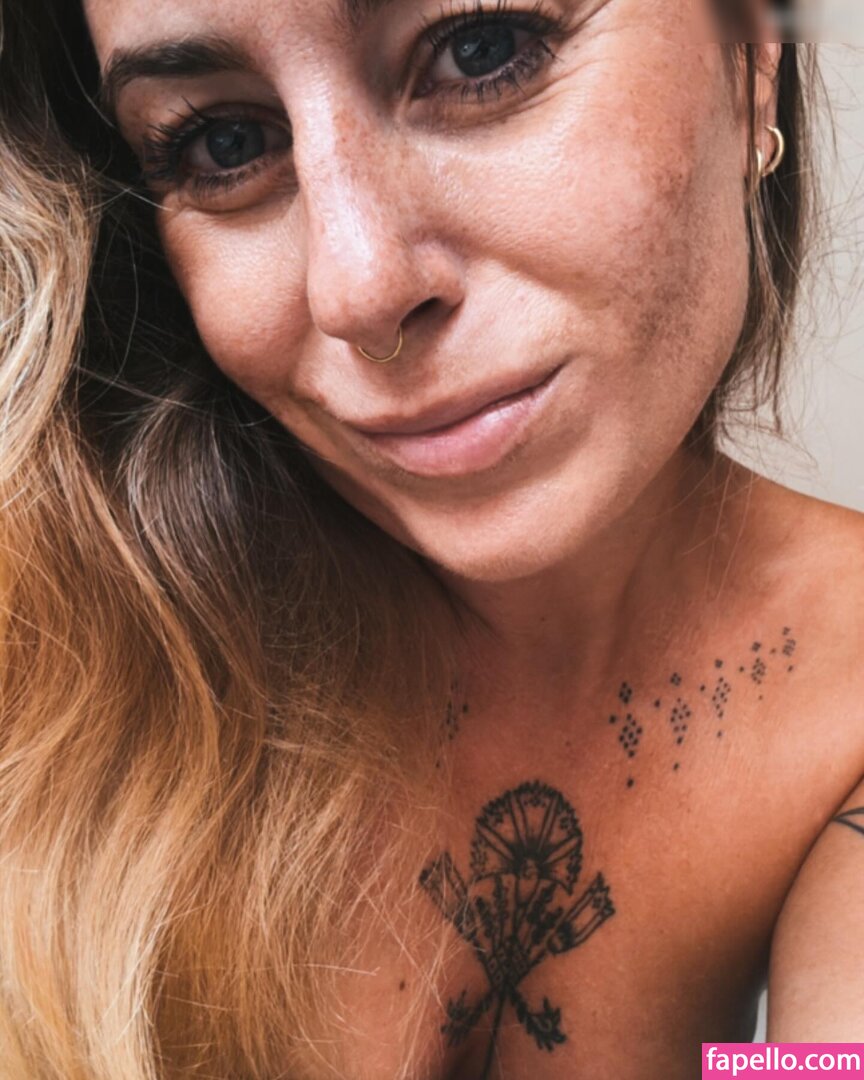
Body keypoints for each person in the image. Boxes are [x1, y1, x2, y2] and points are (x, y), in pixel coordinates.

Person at [0, 0, 861, 1076]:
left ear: (755, 57)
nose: (359, 288)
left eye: (480, 52)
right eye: (225, 143)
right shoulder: (45, 660)